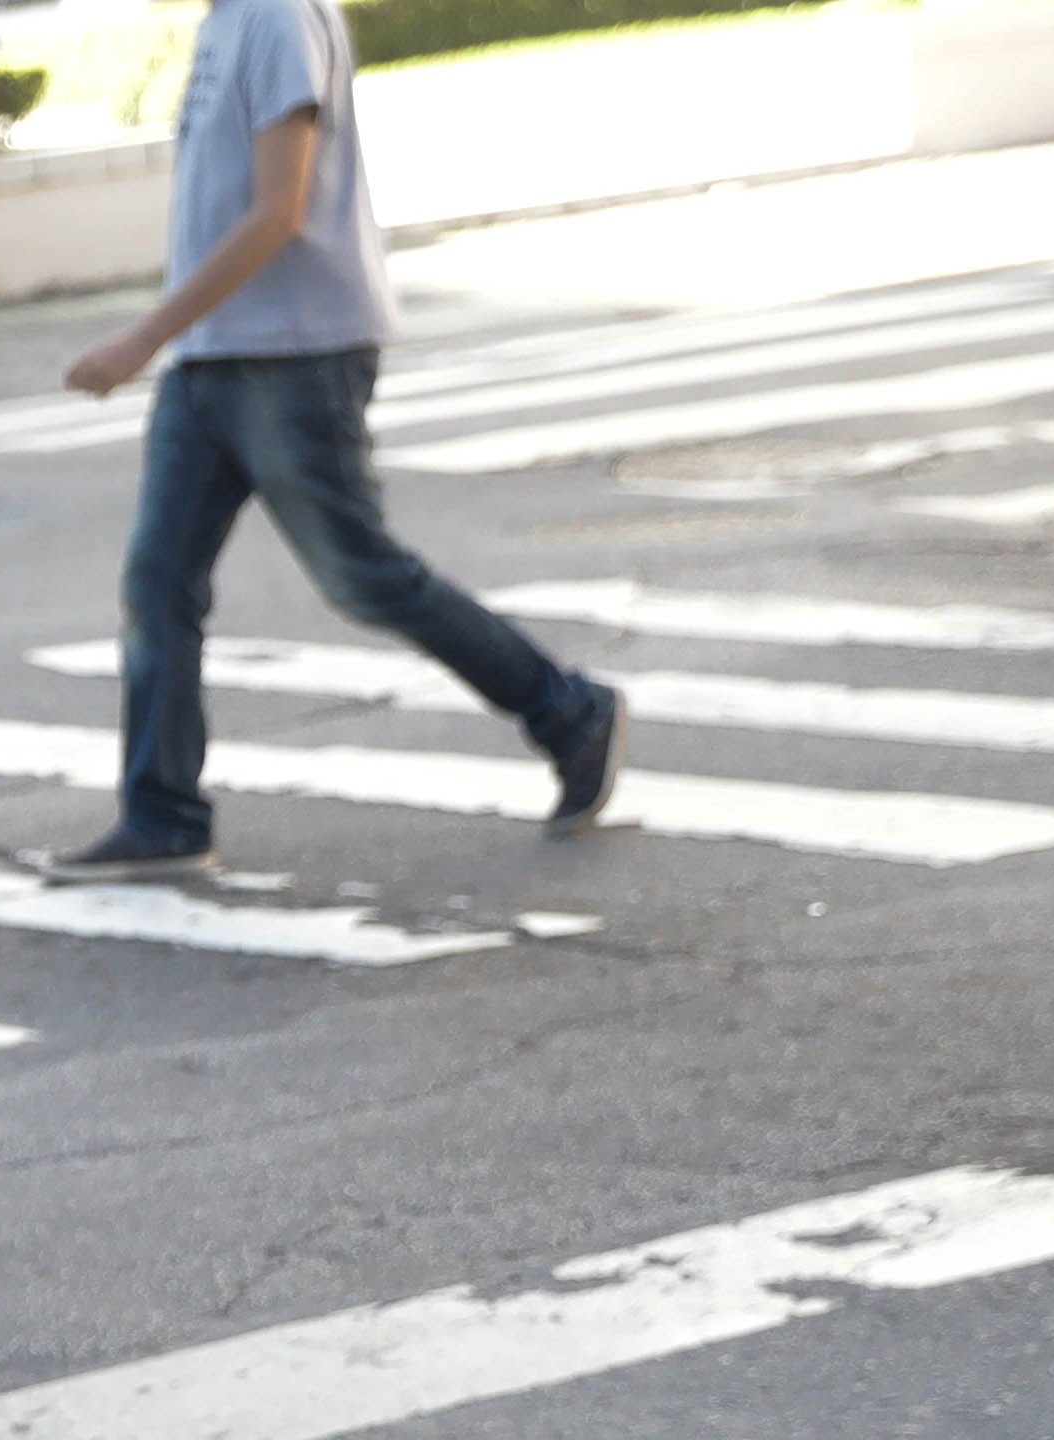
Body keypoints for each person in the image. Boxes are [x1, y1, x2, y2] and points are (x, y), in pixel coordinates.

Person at [46, 0, 625, 882]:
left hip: (295, 354)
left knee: (364, 578)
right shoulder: (224, 19)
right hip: (211, 360)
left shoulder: (277, 16)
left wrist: (142, 338)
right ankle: (163, 817)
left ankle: (570, 713)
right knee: (156, 584)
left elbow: (279, 209)